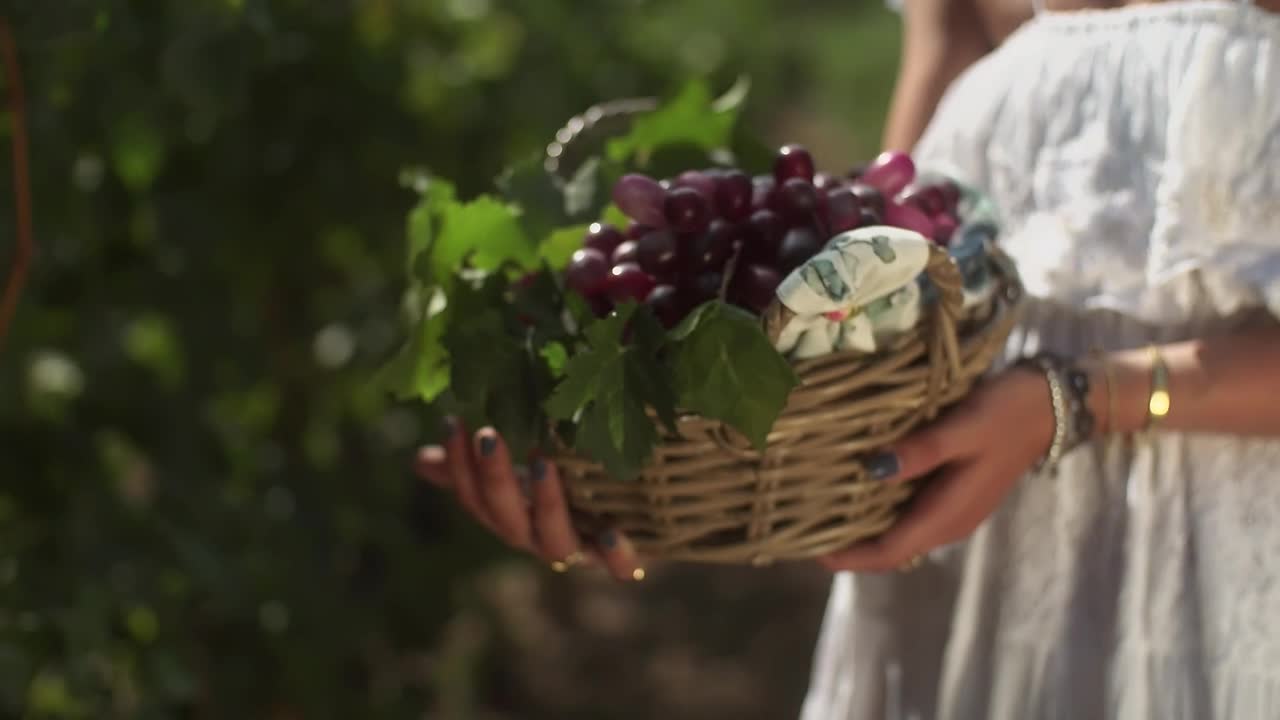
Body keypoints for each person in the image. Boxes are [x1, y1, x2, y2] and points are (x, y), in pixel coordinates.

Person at [416, 0, 1280, 713]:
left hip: (1211, 559)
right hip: (966, 539)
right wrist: (664, 478)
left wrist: (1078, 400)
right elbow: (908, 167)